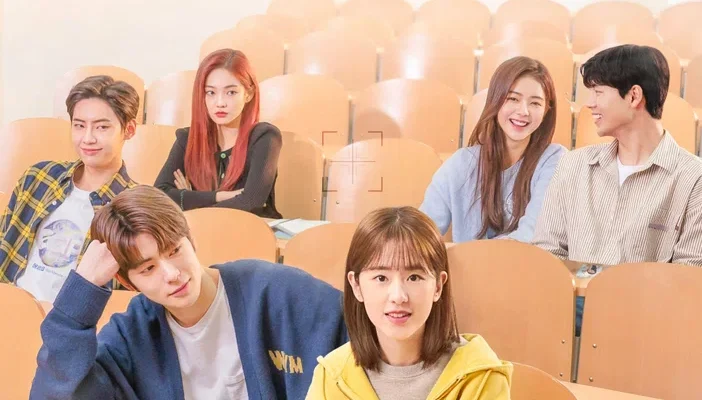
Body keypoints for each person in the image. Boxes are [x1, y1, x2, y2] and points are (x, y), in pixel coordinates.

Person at [31, 185, 347, 399]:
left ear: (190, 239)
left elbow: (360, 336)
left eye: (174, 250)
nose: (172, 274)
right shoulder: (131, 337)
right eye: (148, 269)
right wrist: (80, 296)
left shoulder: (276, 292)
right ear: (128, 283)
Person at [532, 44, 702, 334]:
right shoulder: (573, 166)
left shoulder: (693, 178)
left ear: (634, 96)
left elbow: (688, 279)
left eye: (598, 92)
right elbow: (546, 254)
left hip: (649, 323)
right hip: (567, 314)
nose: (589, 104)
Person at [307, 207, 512, 400]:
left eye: (414, 277)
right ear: (356, 285)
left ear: (438, 286)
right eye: (381, 278)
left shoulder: (480, 376)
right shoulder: (332, 376)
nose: (398, 296)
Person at [0, 75, 139, 300]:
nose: (87, 138)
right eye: (79, 125)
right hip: (9, 308)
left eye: (102, 127)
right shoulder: (38, 177)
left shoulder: (135, 207)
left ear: (129, 130)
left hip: (72, 319)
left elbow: (130, 298)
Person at [420, 56, 566, 243]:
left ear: (546, 110)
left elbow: (533, 235)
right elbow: (422, 234)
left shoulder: (555, 161)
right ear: (495, 101)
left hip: (526, 262)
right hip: (469, 262)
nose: (523, 111)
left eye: (535, 103)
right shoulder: (461, 163)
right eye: (513, 99)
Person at [155, 49, 282, 218]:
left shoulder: (264, 137)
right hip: (200, 232)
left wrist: (190, 200)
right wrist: (219, 196)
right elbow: (159, 195)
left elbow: (251, 201)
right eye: (211, 92)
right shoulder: (187, 139)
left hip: (250, 231)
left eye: (231, 92)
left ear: (248, 94)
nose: (220, 103)